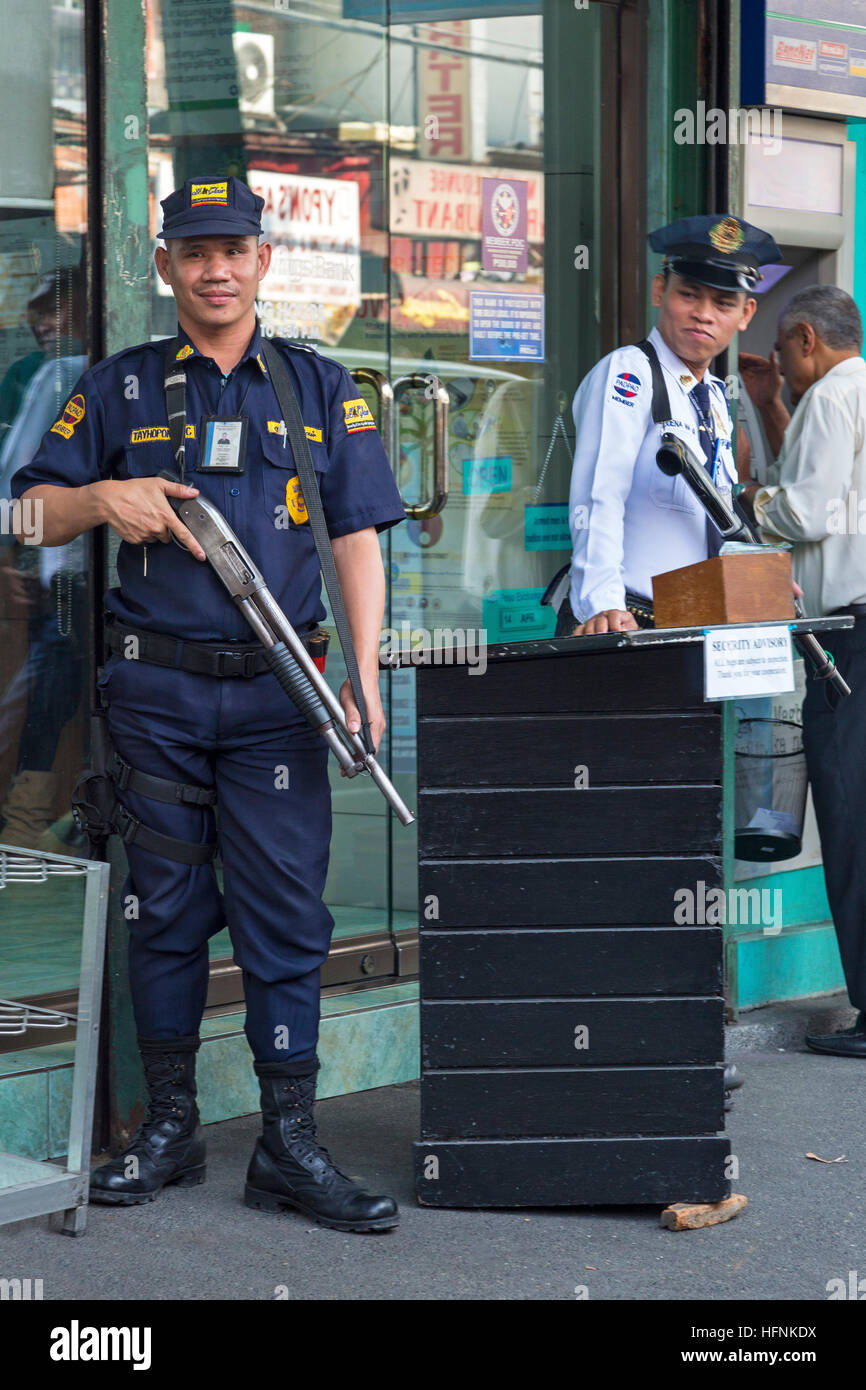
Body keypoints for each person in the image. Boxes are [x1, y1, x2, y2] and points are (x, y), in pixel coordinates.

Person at [10, 176, 406, 1231]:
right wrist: (101, 497)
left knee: (288, 917)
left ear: (264, 260)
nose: (215, 269)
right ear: (166, 267)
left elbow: (360, 537)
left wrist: (361, 676)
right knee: (166, 912)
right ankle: (170, 1128)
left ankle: (289, 1142)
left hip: (284, 694)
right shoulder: (120, 387)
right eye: (194, 252)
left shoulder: (321, 387)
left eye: (233, 249)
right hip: (156, 694)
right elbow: (28, 514)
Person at [738, 285, 866, 1058]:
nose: (780, 365)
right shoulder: (851, 395)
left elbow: (806, 511)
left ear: (807, 339)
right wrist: (770, 405)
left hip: (847, 641)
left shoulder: (830, 397)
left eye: (783, 352)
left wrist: (744, 498)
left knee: (849, 821)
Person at [558, 214, 780, 636]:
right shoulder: (630, 372)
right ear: (661, 290)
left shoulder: (715, 395)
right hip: (627, 619)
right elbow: (599, 493)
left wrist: (756, 573)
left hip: (693, 621)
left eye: (723, 303)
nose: (703, 315)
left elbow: (719, 512)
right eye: (690, 295)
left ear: (746, 313)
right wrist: (601, 604)